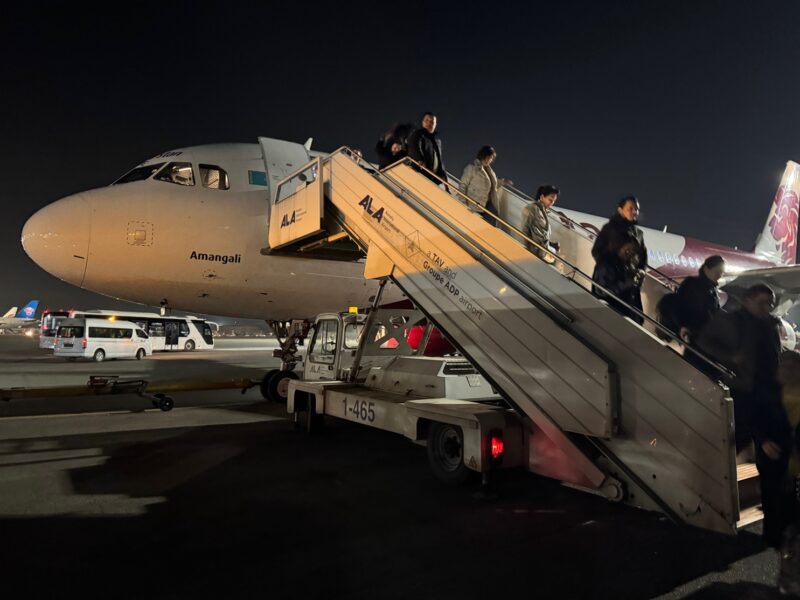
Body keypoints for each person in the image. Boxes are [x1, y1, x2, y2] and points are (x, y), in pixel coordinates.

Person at [697, 284, 792, 548]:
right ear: (748, 300)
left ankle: (776, 528)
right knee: (735, 441)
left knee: (771, 460)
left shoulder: (770, 324)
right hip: (743, 391)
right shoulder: (730, 321)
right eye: (763, 302)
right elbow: (703, 342)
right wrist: (731, 359)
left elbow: (773, 356)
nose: (767, 308)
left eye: (769, 303)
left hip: (769, 393)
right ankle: (711, 498)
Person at [591, 196, 647, 323]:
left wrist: (641, 270)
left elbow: (643, 256)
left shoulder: (638, 233)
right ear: (620, 210)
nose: (634, 212)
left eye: (636, 209)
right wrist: (612, 265)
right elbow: (597, 251)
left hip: (629, 279)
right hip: (613, 277)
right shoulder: (610, 229)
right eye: (630, 208)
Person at [592, 236, 645, 323]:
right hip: (611, 317)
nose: (630, 253)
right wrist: (627, 284)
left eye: (633, 251)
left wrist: (637, 283)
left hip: (623, 319)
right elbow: (601, 291)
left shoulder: (626, 266)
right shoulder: (606, 265)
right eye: (628, 249)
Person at [675, 254, 726, 341]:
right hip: (693, 334)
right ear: (706, 269)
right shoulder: (691, 284)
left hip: (704, 336)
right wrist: (683, 326)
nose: (720, 275)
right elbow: (679, 306)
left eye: (721, 273)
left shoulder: (712, 289)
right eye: (717, 272)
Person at [459, 146, 512, 225]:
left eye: (491, 158)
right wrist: (463, 204)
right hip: (474, 206)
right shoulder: (472, 169)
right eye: (487, 157)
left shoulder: (490, 172)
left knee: (489, 226)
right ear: (482, 155)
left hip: (487, 206)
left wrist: (503, 182)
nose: (488, 160)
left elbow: (492, 185)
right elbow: (463, 186)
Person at [406, 111, 447, 185]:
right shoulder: (418, 134)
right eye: (427, 120)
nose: (429, 123)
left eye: (432, 122)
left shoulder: (437, 141)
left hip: (433, 177)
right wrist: (420, 159)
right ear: (423, 122)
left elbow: (439, 158)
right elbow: (414, 146)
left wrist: (443, 173)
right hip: (420, 174)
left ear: (435, 124)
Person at [521, 185, 560, 260]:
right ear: (542, 197)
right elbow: (525, 229)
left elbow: (541, 233)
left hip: (541, 251)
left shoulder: (543, 212)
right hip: (534, 251)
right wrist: (527, 251)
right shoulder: (532, 208)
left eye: (554, 201)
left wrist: (551, 243)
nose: (552, 203)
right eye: (550, 200)